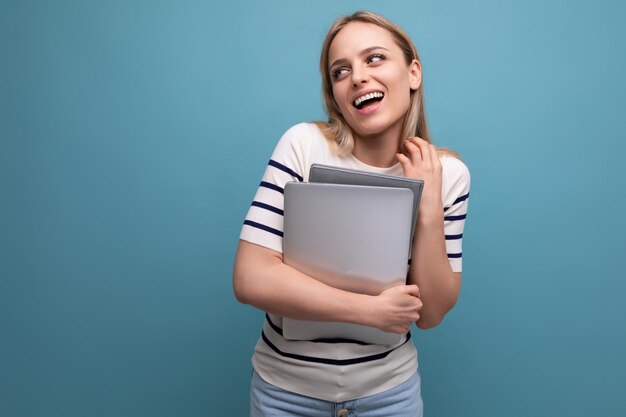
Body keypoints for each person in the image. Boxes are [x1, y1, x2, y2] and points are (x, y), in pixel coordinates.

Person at [233, 10, 470, 417]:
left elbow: (430, 313)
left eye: (374, 58)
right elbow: (250, 277)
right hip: (284, 394)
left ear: (413, 73)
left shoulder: (448, 175)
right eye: (340, 71)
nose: (357, 76)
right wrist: (369, 311)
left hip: (389, 397)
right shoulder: (303, 146)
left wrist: (428, 207)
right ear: (335, 95)